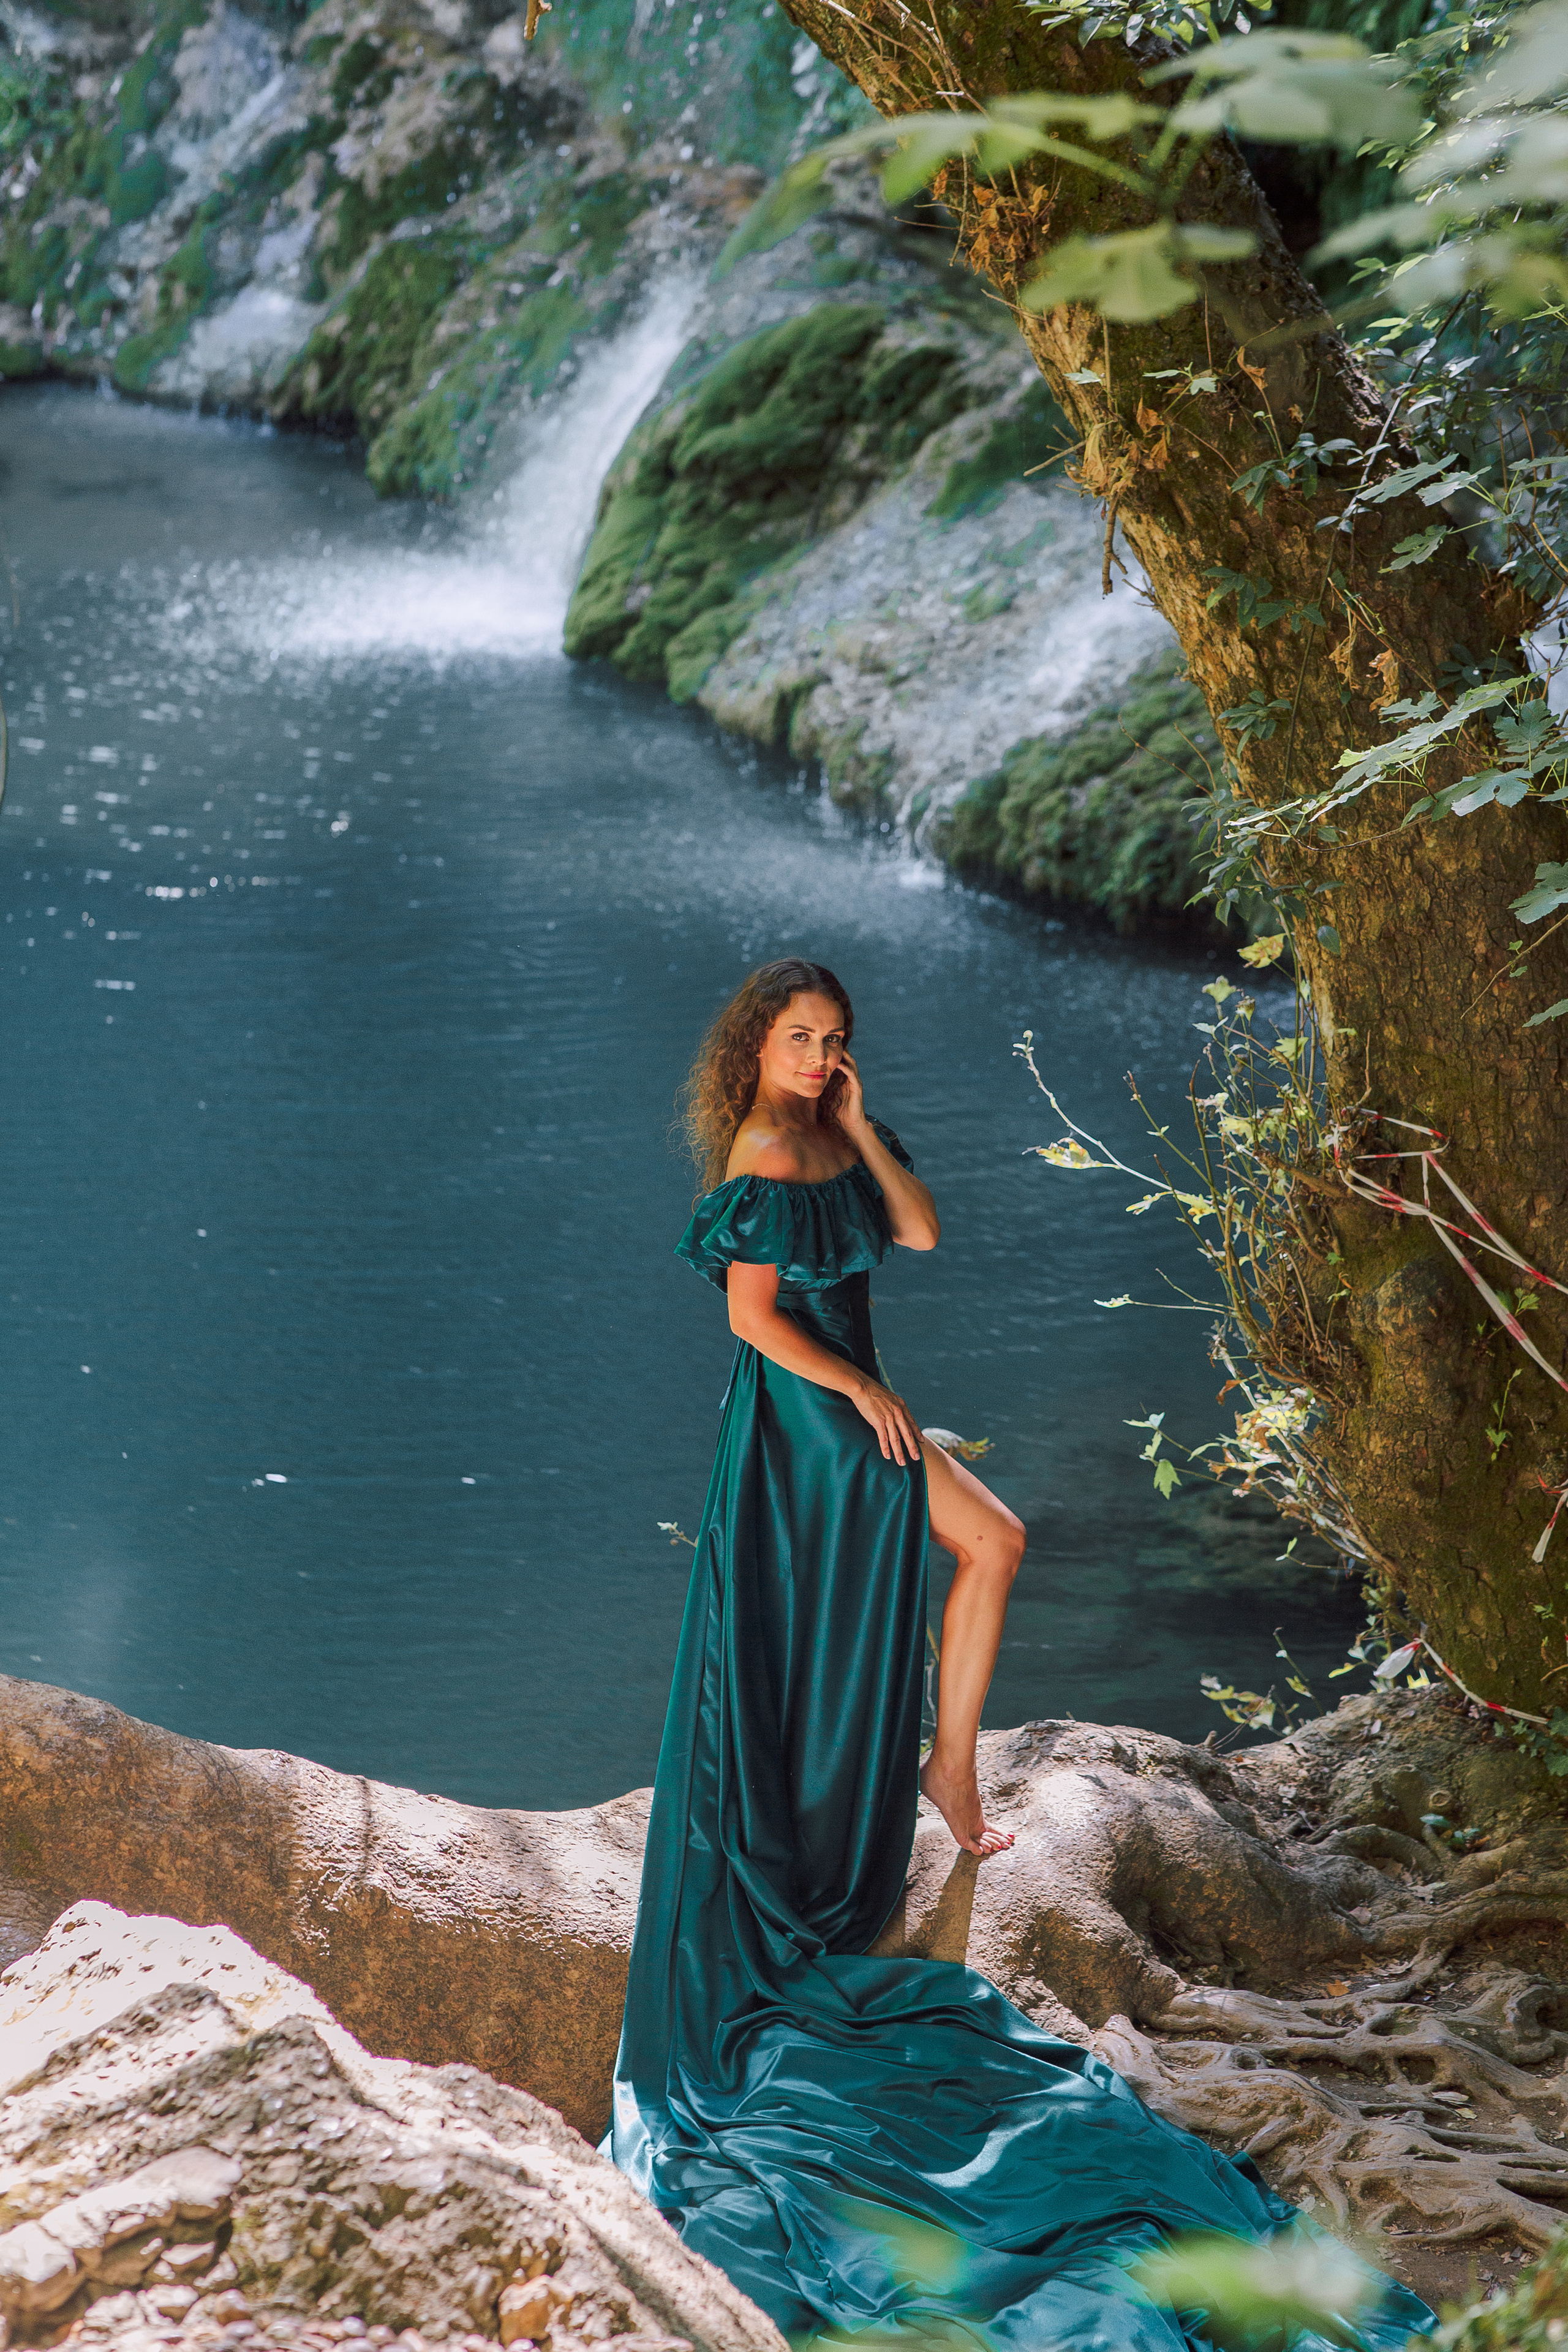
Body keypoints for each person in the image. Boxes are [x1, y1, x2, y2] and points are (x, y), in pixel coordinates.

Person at [607, 956, 1433, 2352]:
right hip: (811, 1419)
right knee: (978, 1545)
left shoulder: (829, 1134)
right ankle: (934, 1766)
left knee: (990, 1545)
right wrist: (864, 1387)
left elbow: (918, 1235)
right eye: (798, 1039)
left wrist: (863, 1125)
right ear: (751, 1044)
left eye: (832, 1042)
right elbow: (751, 1321)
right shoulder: (754, 1147)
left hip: (860, 1414)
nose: (814, 1058)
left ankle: (942, 1758)